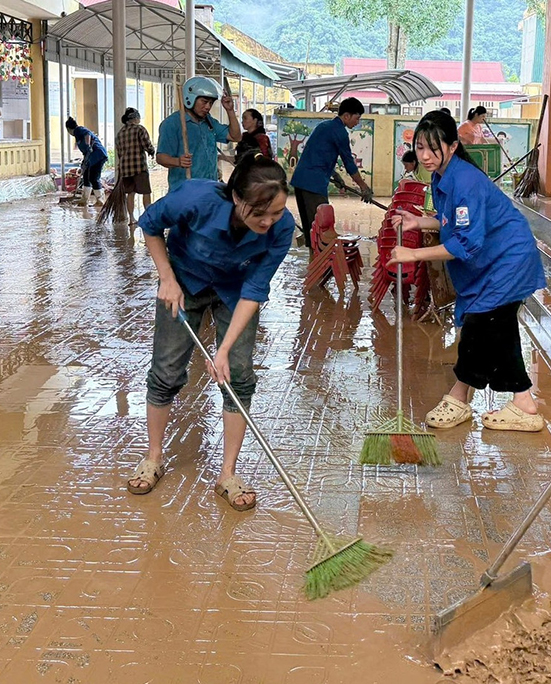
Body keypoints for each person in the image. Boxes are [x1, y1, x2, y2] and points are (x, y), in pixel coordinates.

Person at [128, 153, 295, 512]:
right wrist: (167, 278)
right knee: (167, 371)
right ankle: (154, 456)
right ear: (237, 198)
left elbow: (254, 291)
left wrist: (223, 352)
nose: (269, 221)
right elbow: (151, 225)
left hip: (235, 291)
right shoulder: (195, 198)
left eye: (277, 211)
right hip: (184, 282)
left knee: (238, 376)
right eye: (260, 212)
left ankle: (228, 475)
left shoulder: (282, 229)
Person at [387, 111, 547, 432]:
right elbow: (452, 221)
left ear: (453, 145)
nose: (426, 156)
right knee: (493, 330)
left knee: (483, 327)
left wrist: (414, 253)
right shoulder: (443, 176)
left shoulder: (466, 181)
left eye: (434, 148)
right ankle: (510, 402)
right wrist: (420, 221)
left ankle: (468, 398)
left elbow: (465, 243)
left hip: (507, 263)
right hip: (491, 264)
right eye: (420, 148)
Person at [290, 97, 373, 255]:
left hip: (301, 180)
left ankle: (313, 266)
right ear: (347, 116)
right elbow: (349, 163)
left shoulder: (324, 126)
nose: (357, 122)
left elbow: (318, 156)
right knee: (322, 229)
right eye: (357, 118)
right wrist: (364, 187)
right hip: (313, 184)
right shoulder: (340, 132)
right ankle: (320, 267)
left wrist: (334, 176)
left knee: (311, 228)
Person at [156, 76, 241, 192]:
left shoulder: (209, 121)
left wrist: (230, 111)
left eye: (211, 103)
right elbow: (161, 158)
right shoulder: (172, 124)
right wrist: (178, 162)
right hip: (185, 192)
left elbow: (235, 136)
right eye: (204, 102)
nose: (208, 107)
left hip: (210, 190)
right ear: (190, 98)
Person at [115, 107, 156, 227]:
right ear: (135, 118)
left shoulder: (120, 133)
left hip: (125, 169)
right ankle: (148, 215)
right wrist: (152, 152)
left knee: (130, 193)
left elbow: (119, 152)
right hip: (139, 167)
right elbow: (147, 145)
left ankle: (131, 218)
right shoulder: (139, 129)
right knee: (146, 192)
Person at [65, 117, 109, 208]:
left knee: (93, 177)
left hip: (98, 155)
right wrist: (84, 163)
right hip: (91, 158)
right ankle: (84, 199)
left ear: (68, 129)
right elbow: (85, 152)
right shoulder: (77, 135)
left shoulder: (78, 130)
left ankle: (100, 200)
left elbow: (88, 134)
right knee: (86, 177)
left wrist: (88, 145)